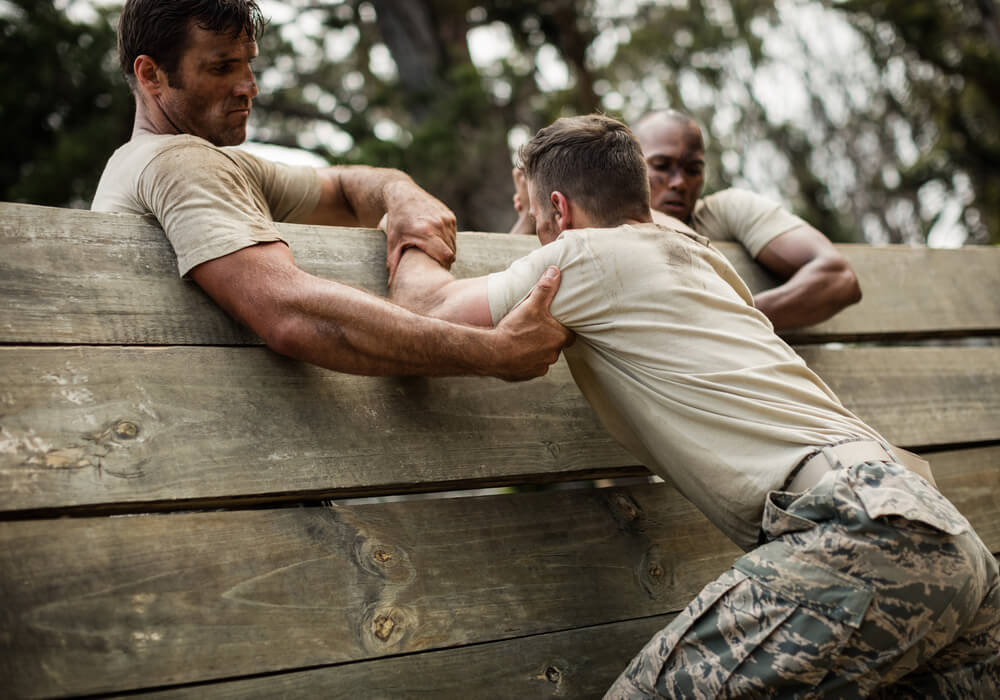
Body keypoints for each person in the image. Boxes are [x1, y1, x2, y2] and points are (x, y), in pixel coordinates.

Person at [390, 114, 999, 697]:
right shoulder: (705, 261)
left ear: (557, 209)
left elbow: (426, 311)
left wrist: (405, 221)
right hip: (945, 536)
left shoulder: (582, 255)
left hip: (860, 534)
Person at [91, 0, 571, 381]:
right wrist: (494, 352)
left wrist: (400, 193)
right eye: (221, 68)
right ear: (150, 74)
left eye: (248, 65)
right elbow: (290, 313)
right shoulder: (177, 163)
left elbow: (342, 189)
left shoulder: (199, 162)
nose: (248, 87)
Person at [510, 109, 862, 331]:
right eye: (661, 166)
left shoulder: (726, 209)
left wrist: (727, 320)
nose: (679, 182)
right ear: (628, 166)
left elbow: (838, 277)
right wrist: (531, 215)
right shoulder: (590, 228)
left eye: (692, 169)